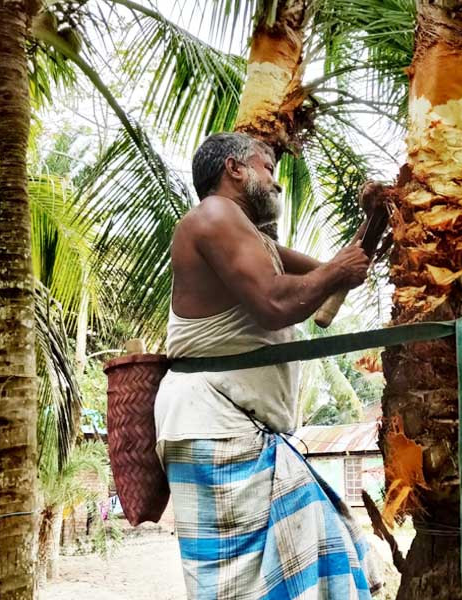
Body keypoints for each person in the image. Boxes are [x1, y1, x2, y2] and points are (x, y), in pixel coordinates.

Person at [154, 132, 381, 600]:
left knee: (330, 547)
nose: (275, 184)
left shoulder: (253, 239)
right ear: (234, 169)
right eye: (267, 168)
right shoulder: (215, 215)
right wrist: (338, 271)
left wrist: (372, 231)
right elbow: (275, 302)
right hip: (214, 426)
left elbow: (324, 279)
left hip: (235, 430)